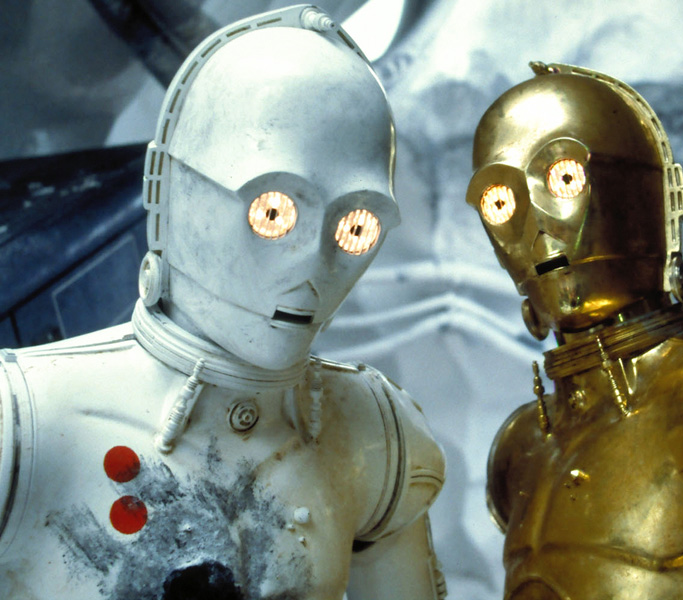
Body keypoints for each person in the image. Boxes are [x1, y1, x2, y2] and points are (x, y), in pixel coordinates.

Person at [0, 6, 446, 599]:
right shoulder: (25, 425)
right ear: (174, 185)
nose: (312, 264)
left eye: (355, 227)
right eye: (274, 212)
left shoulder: (372, 437)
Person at [466, 61, 683, 599]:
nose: (539, 230)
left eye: (564, 179)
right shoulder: (521, 447)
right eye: (500, 202)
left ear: (641, 195)